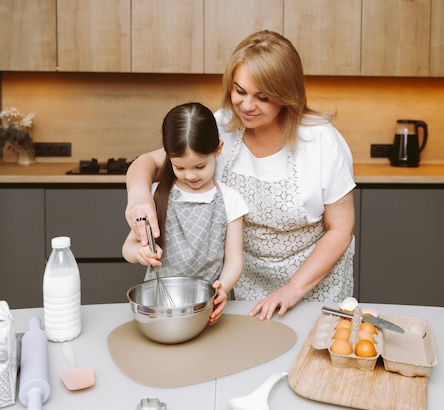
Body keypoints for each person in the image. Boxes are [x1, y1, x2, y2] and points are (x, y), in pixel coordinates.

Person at [125, 30, 355, 320]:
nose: (246, 106)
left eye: (263, 97)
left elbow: (341, 229)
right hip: (246, 287)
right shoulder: (221, 127)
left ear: (287, 94)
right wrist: (138, 196)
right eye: (240, 91)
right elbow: (148, 161)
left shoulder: (322, 142)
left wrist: (292, 289)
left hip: (315, 286)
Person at [122, 102, 248, 325]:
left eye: (200, 166)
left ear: (218, 149)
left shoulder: (230, 199)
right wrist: (139, 253)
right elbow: (128, 248)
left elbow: (235, 259)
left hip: (206, 306)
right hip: (160, 308)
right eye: (179, 167)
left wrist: (223, 288)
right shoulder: (155, 196)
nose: (190, 175)